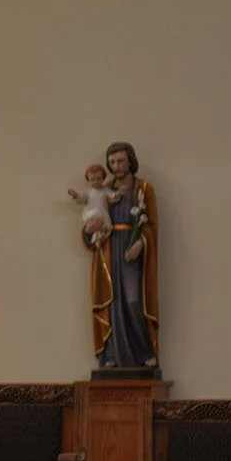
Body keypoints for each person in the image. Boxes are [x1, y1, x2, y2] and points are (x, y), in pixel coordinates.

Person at [89, 141, 159, 371]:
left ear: (130, 160)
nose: (117, 166)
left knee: (132, 300)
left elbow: (152, 225)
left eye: (120, 161)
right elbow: (93, 217)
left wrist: (141, 242)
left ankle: (143, 353)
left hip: (131, 250)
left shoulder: (144, 189)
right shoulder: (104, 189)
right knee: (111, 302)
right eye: (112, 162)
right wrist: (89, 229)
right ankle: (111, 355)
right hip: (108, 250)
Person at [66, 163, 121, 249]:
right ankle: (96, 239)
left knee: (105, 227)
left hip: (102, 213)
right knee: (97, 225)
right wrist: (75, 195)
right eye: (92, 179)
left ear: (103, 179)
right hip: (92, 213)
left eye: (98, 178)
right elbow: (81, 198)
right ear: (89, 180)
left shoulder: (105, 190)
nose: (95, 182)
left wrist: (117, 194)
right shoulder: (89, 192)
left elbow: (112, 195)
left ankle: (98, 239)